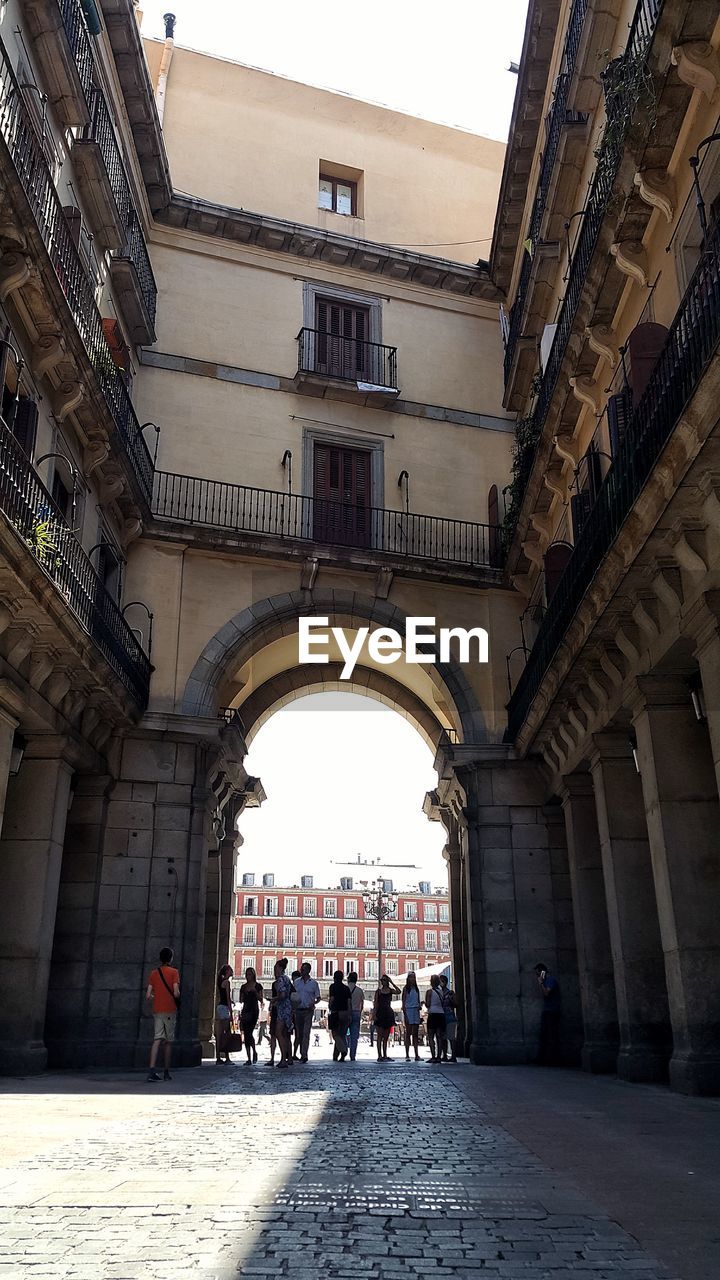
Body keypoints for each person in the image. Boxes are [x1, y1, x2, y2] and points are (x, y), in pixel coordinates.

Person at [145, 946, 180, 1082]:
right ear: (170, 958)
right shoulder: (174, 972)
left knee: (157, 1039)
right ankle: (166, 1072)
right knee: (168, 1042)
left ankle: (152, 1070)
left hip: (157, 1009)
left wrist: (157, 995)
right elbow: (176, 992)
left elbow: (148, 995)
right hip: (170, 1009)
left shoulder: (154, 973)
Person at [535, 962, 561, 1065]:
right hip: (548, 1010)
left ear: (543, 972)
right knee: (544, 1035)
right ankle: (543, 1058)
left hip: (552, 1011)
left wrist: (541, 983)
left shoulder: (550, 980)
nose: (537, 976)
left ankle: (551, 1059)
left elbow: (546, 993)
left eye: (538, 973)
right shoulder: (547, 981)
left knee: (551, 1035)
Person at [294, 962, 321, 1062]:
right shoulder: (296, 982)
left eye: (303, 969)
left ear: (308, 970)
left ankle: (304, 1054)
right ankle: (301, 1052)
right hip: (298, 1010)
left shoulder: (314, 983)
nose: (301, 970)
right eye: (301, 969)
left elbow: (318, 997)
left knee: (306, 1032)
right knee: (299, 1033)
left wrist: (313, 1003)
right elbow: (293, 995)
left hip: (308, 1011)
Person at [271, 958, 294, 1067]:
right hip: (288, 1008)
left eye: (275, 968)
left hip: (282, 1009)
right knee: (286, 1034)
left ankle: (283, 1059)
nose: (274, 970)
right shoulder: (287, 979)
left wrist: (274, 999)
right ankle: (289, 1058)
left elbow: (282, 995)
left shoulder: (280, 980)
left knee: (278, 1033)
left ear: (280, 968)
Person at [238, 967, 263, 1065]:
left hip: (254, 1010)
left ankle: (254, 1053)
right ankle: (249, 1057)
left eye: (250, 974)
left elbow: (261, 999)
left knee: (249, 1032)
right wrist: (243, 996)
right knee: (246, 1033)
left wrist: (255, 992)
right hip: (245, 1010)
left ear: (253, 975)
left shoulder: (258, 986)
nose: (248, 976)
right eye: (247, 974)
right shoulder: (243, 987)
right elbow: (241, 1000)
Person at [373, 975, 400, 1061]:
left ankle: (384, 1055)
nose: (383, 981)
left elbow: (399, 991)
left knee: (386, 1036)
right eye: (382, 980)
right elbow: (376, 1003)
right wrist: (374, 1014)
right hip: (380, 1013)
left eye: (385, 980)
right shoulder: (378, 992)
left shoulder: (390, 990)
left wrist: (392, 982)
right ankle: (379, 1055)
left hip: (388, 1013)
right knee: (379, 1036)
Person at [327, 969, 352, 1060]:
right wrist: (349, 1014)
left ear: (334, 978)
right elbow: (349, 1002)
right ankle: (336, 1056)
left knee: (335, 1034)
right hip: (345, 1013)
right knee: (342, 1035)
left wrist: (330, 1006)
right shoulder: (346, 988)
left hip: (335, 1012)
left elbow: (332, 999)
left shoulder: (332, 987)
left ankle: (343, 1050)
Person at [214, 964, 235, 1065]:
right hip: (224, 1008)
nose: (232, 971)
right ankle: (226, 1057)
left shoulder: (220, 981)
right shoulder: (227, 982)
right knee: (226, 1033)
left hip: (220, 1007)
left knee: (221, 1034)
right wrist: (231, 1012)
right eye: (230, 970)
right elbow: (227, 998)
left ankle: (219, 1056)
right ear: (227, 971)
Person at [424, 974, 446, 1064]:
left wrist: (425, 1003)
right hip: (441, 1014)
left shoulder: (429, 992)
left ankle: (433, 1056)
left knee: (431, 1036)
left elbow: (428, 1004)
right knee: (439, 1036)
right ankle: (439, 1057)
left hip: (432, 1014)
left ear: (431, 982)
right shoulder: (441, 992)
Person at [401, 971, 421, 1061]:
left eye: (414, 977)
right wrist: (405, 1015)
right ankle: (407, 1054)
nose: (412, 979)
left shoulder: (417, 989)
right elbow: (403, 1002)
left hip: (416, 1010)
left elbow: (418, 1000)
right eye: (411, 977)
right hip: (408, 1010)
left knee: (415, 1034)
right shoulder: (406, 989)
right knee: (408, 1033)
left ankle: (417, 1054)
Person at [439, 975, 458, 1063]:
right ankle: (444, 1055)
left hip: (450, 1017)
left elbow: (456, 1004)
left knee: (451, 1037)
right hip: (441, 1017)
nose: (440, 983)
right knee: (443, 1037)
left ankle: (454, 1055)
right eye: (439, 981)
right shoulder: (438, 993)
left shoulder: (450, 993)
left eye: (442, 981)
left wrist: (451, 1000)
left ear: (445, 982)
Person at [347, 971, 365, 1061]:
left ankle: (343, 1052)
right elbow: (362, 1003)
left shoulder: (345, 989)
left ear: (348, 979)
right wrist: (359, 1011)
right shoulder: (359, 990)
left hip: (346, 1013)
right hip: (356, 1012)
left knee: (343, 1034)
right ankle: (352, 1055)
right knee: (354, 1036)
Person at [290, 970, 302, 1060]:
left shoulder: (292, 987)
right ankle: (292, 1053)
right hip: (292, 1013)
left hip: (295, 1013)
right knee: (296, 1035)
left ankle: (293, 1053)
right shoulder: (291, 987)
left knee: (298, 1035)